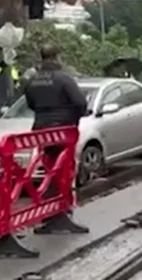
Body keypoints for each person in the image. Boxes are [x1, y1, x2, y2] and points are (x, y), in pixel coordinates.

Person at [23, 43, 88, 233]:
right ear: (57, 57)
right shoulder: (64, 79)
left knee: (50, 169)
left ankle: (51, 211)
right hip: (63, 130)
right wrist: (74, 120)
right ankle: (60, 211)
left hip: (42, 131)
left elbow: (31, 103)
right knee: (64, 170)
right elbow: (80, 102)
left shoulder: (33, 80)